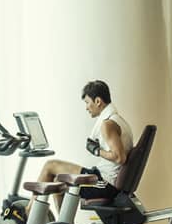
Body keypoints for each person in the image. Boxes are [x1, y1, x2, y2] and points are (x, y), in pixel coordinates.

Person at [37, 80, 134, 209]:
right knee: (57, 182)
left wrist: (96, 150)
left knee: (50, 165)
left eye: (87, 102)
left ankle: (28, 211)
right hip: (105, 179)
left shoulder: (108, 124)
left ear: (98, 101)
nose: (86, 107)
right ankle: (60, 222)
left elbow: (119, 157)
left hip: (105, 184)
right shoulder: (118, 120)